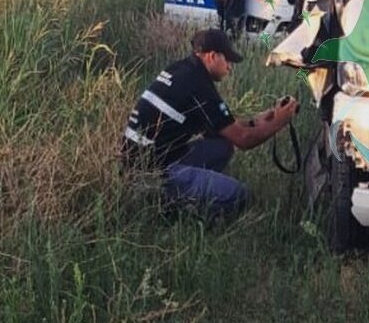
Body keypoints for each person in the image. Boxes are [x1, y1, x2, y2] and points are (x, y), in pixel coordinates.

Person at [121, 28, 300, 219]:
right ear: (213, 56)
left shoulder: (182, 70)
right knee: (240, 195)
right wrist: (280, 122)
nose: (230, 67)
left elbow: (223, 128)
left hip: (138, 163)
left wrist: (257, 120)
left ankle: (190, 190)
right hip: (153, 174)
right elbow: (244, 140)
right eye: (228, 60)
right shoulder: (199, 86)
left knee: (221, 145)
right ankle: (174, 210)